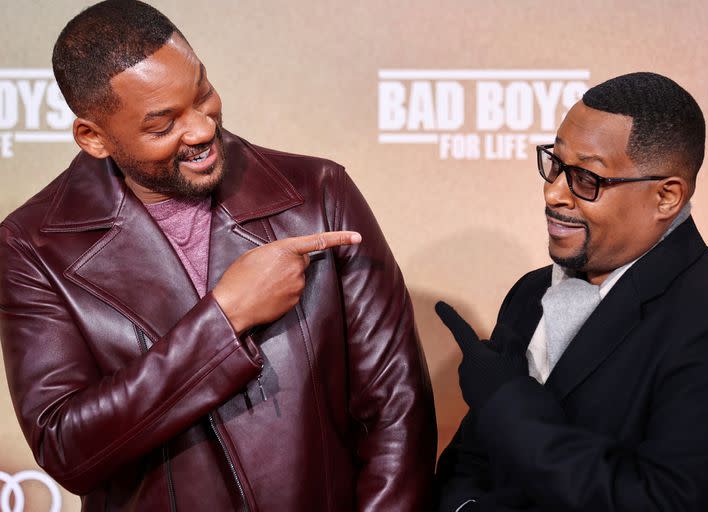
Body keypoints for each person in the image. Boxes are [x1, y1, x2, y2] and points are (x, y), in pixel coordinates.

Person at [0, 1, 436, 510]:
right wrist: (225, 318)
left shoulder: (318, 194)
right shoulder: (32, 245)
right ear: (93, 138)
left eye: (202, 94)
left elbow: (396, 412)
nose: (203, 130)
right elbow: (67, 448)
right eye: (164, 125)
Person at [435, 72, 708, 511]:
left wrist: (506, 404)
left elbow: (663, 501)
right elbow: (471, 464)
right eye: (554, 164)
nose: (553, 193)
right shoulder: (529, 294)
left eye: (586, 179)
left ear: (666, 197)